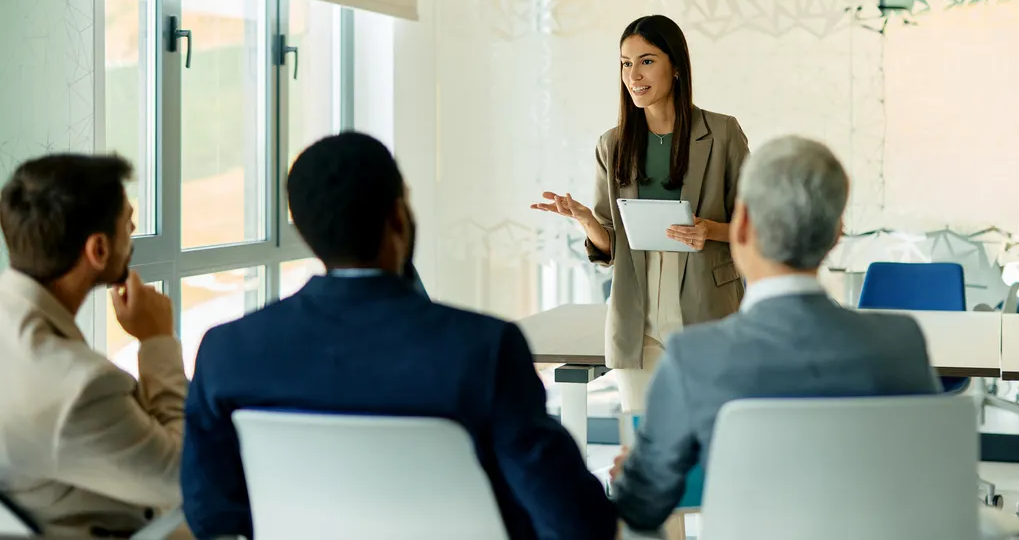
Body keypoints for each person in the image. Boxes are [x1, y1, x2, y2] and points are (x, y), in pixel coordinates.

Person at [181, 132, 616, 540]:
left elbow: (209, 513)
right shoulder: (483, 348)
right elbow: (576, 521)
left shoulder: (227, 353)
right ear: (398, 217)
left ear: (304, 230)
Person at [610, 136, 941, 533]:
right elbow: (922, 478)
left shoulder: (695, 358)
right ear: (836, 234)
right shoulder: (901, 343)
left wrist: (631, 475)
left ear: (743, 225)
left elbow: (641, 505)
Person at [533, 14, 751, 413]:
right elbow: (611, 247)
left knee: (711, 440)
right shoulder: (613, 144)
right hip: (638, 315)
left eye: (646, 61)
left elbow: (755, 228)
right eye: (625, 63)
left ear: (677, 67)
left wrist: (711, 231)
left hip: (708, 309)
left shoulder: (722, 133)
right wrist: (585, 219)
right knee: (642, 441)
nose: (633, 74)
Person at [0, 155, 187, 538]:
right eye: (128, 222)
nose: (134, 228)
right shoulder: (82, 387)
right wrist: (157, 342)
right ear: (98, 249)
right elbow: (185, 476)